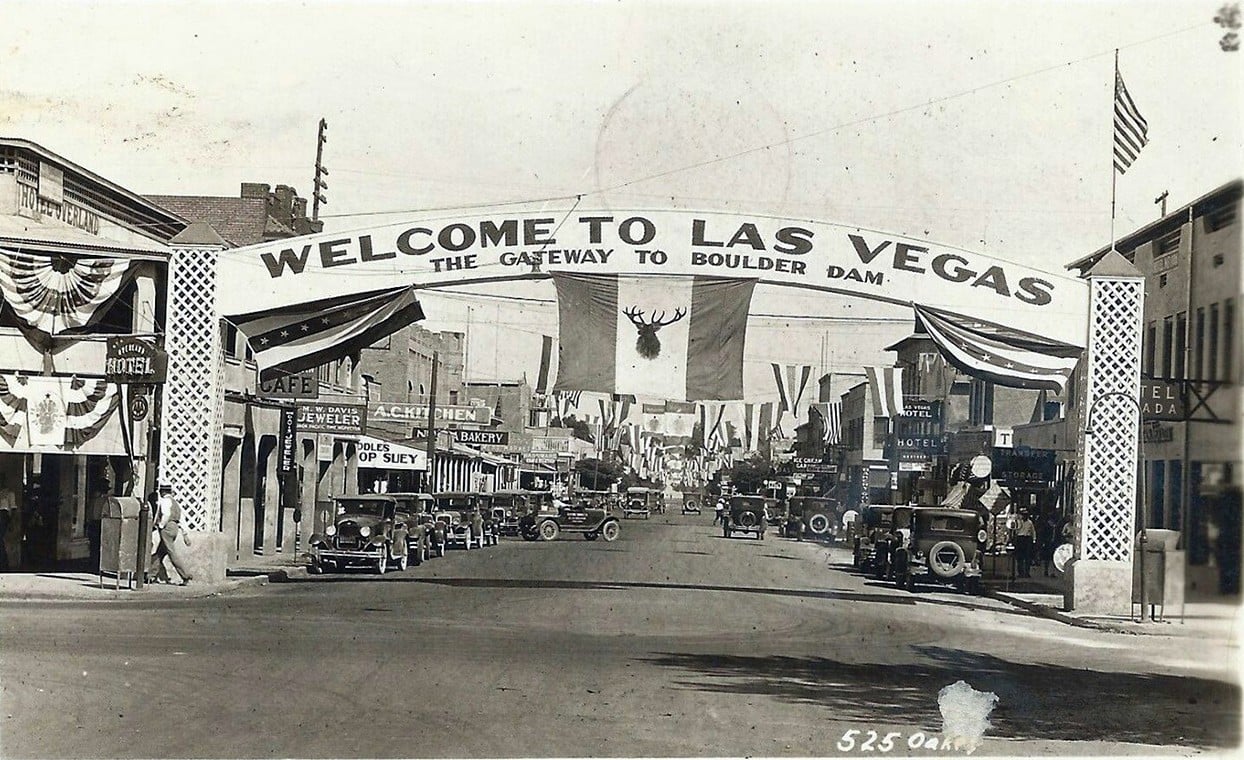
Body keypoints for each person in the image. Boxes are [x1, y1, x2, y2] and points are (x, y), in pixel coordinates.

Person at [149, 485, 193, 585]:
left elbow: (166, 514)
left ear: (163, 492)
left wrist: (161, 525)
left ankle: (185, 575)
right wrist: (184, 534)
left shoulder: (165, 501)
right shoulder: (175, 503)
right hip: (175, 528)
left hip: (167, 527)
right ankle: (150, 575)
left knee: (171, 552)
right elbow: (182, 519)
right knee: (160, 552)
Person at [1013, 509, 1036, 578]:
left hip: (1027, 539)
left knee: (1027, 557)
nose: (1025, 516)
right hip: (1020, 539)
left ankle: (1027, 572)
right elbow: (1015, 530)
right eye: (1024, 515)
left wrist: (1034, 540)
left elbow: (1033, 531)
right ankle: (1020, 572)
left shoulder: (1030, 523)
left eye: (1026, 515)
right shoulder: (1019, 522)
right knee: (1020, 557)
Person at [0, 474, 16, 572]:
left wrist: (11, 522)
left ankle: (4, 564)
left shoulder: (10, 493)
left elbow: (13, 508)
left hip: (3, 516)